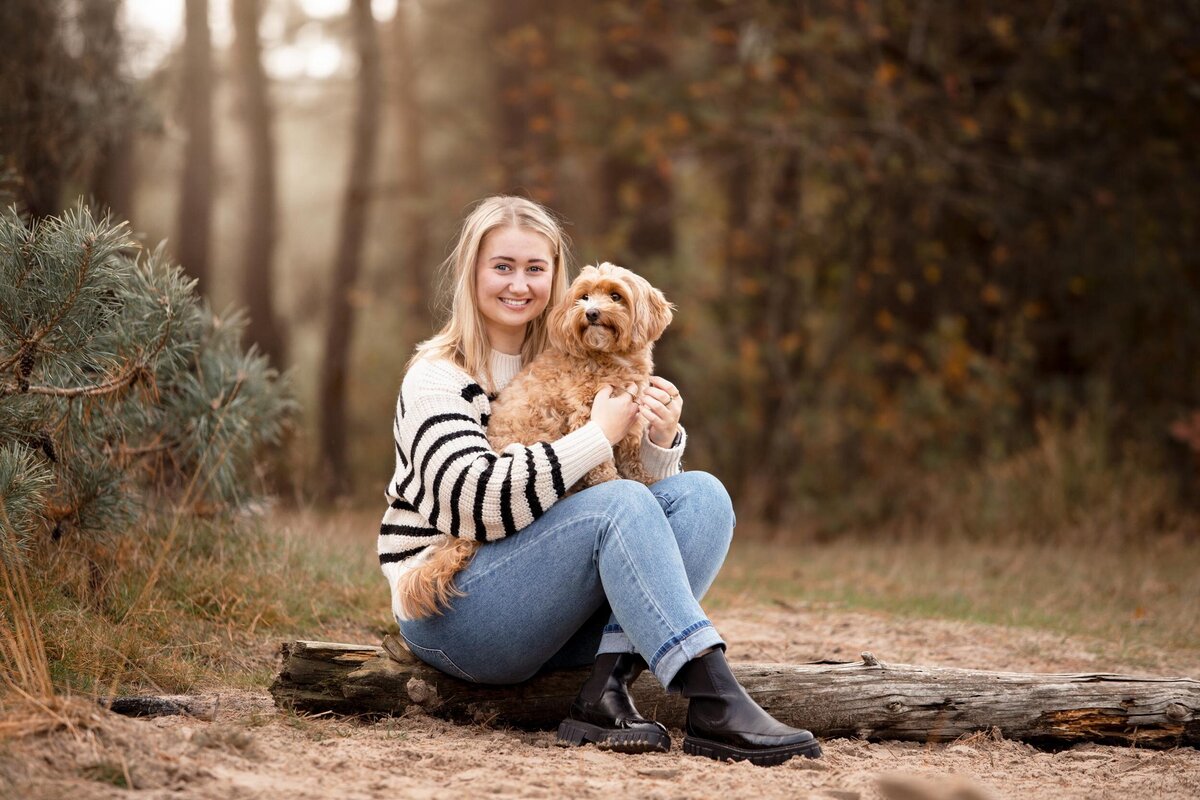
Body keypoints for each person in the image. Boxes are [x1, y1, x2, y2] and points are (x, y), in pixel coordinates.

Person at [377, 195, 820, 765]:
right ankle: (713, 698)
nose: (519, 284)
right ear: (473, 275)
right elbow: (474, 503)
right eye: (502, 267)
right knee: (619, 502)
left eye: (536, 269)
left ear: (557, 280)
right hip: (458, 612)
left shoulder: (577, 358)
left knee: (703, 496)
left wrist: (657, 443)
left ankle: (603, 691)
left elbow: (645, 515)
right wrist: (597, 437)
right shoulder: (438, 378)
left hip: (552, 617)